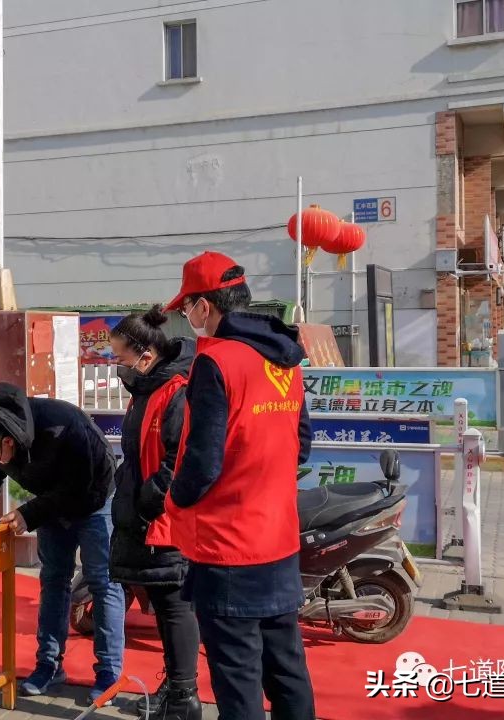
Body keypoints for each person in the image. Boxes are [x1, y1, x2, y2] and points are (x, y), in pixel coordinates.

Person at [163, 252, 315, 720]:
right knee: (287, 668)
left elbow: (202, 464)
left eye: (187, 308)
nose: (187, 319)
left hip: (228, 548)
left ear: (205, 307)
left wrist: (174, 498)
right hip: (278, 538)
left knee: (238, 679)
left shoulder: (217, 362)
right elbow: (301, 445)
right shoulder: (284, 358)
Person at [0, 383, 125, 704]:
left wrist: (28, 513)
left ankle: (109, 672)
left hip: (95, 498)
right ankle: (48, 664)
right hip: (50, 501)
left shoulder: (61, 425)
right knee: (53, 580)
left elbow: (80, 488)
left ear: (7, 443)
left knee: (103, 583)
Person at [107, 307, 201, 720]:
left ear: (146, 355)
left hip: (164, 521)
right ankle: (176, 687)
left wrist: (149, 500)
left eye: (121, 357)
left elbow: (177, 460)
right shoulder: (147, 390)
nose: (118, 366)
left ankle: (184, 696)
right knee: (164, 607)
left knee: (175, 604)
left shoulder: (176, 391)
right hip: (145, 518)